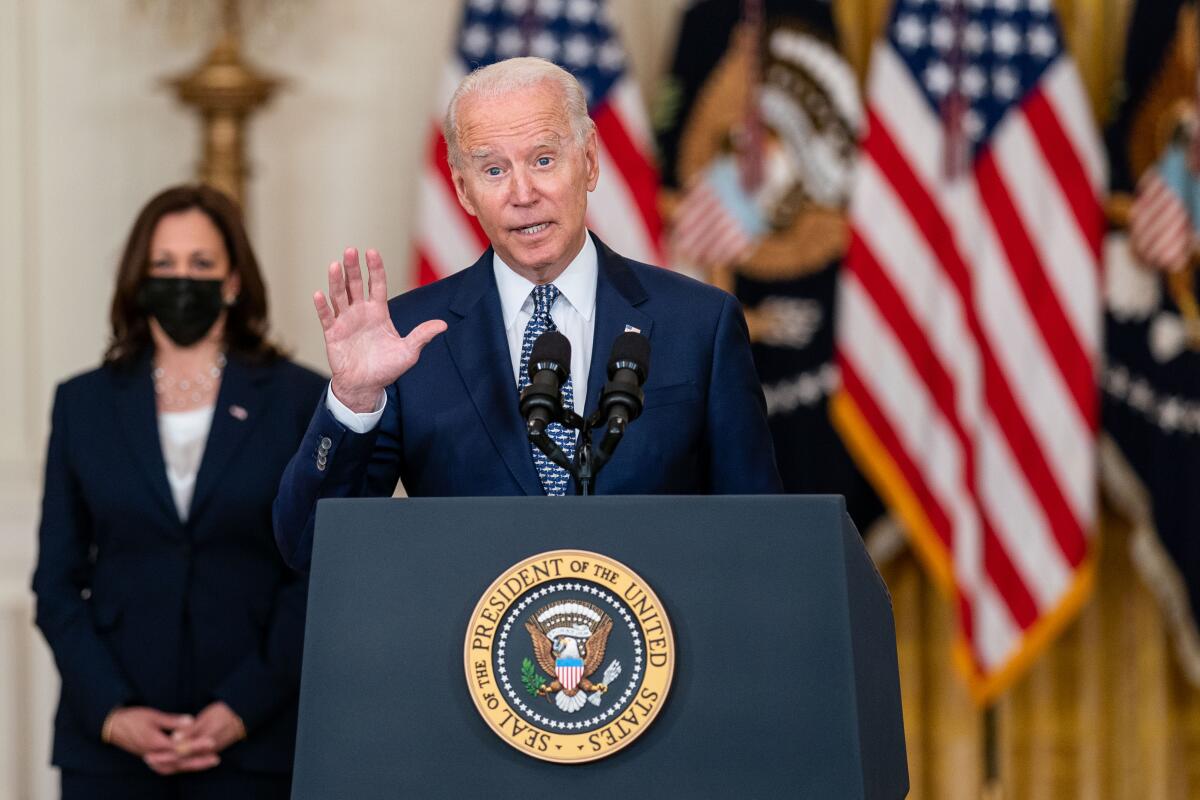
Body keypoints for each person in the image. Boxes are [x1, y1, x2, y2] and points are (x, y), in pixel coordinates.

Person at [273, 57, 781, 572]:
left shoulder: (699, 323)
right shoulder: (409, 340)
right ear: (464, 191)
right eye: (494, 170)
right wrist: (354, 402)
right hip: (471, 645)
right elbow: (311, 549)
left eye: (543, 160)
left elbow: (761, 538)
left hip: (661, 641)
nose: (522, 194)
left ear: (589, 160)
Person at [33, 185, 327, 799]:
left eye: (200, 265)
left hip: (257, 739)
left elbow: (315, 574)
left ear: (233, 281)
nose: (180, 280)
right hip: (110, 744)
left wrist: (243, 706)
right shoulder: (82, 403)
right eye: (163, 265)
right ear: (138, 278)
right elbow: (56, 582)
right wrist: (113, 712)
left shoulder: (298, 399)